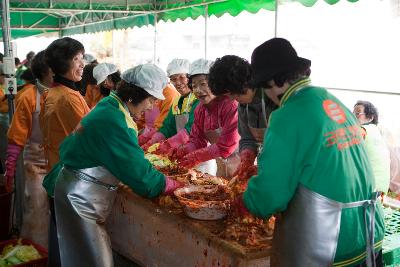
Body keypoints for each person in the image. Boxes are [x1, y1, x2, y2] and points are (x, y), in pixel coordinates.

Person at [234, 38, 384, 266]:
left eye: (264, 87)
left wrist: (246, 203)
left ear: (274, 80)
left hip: (330, 241)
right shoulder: (332, 101)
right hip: (369, 231)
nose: (266, 95)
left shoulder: (287, 116)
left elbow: (271, 192)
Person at [42, 64, 184, 267]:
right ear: (135, 95)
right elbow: (140, 176)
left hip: (69, 185)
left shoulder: (111, 104)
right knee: (92, 261)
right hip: (78, 197)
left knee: (71, 256)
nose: (151, 106)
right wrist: (168, 184)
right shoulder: (116, 120)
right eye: (151, 100)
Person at [4, 51, 52, 246]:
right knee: (37, 211)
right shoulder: (28, 96)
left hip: (61, 164)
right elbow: (17, 136)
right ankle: (36, 253)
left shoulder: (65, 93)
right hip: (36, 166)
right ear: (44, 72)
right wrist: (10, 168)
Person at [208, 55, 277, 180]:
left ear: (241, 86)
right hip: (267, 167)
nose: (231, 99)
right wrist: (247, 157)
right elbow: (247, 139)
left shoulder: (273, 98)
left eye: (230, 94)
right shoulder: (242, 106)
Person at [173, 59, 240, 177]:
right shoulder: (200, 110)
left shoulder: (230, 105)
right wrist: (183, 150)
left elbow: (226, 146)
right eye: (194, 86)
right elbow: (196, 141)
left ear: (215, 84)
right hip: (220, 164)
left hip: (241, 163)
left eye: (203, 84)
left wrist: (195, 156)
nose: (198, 90)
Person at [41, 37, 90, 172]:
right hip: (72, 172)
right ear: (62, 64)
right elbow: (90, 134)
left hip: (59, 168)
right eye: (76, 59)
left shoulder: (55, 91)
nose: (82, 64)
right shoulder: (67, 97)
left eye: (82, 58)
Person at [141, 58, 200, 154]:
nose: (178, 83)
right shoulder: (177, 102)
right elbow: (168, 128)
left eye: (181, 77)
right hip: (181, 151)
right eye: (173, 79)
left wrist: (168, 144)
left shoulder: (198, 100)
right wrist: (151, 142)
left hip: (199, 154)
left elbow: (191, 129)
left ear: (189, 77)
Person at [354, 100, 391, 193]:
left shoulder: (362, 130)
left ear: (370, 117)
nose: (353, 115)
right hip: (381, 190)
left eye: (357, 113)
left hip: (365, 189)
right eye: (353, 113)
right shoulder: (377, 133)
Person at [137, 78, 180, 146]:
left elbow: (162, 124)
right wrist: (136, 131)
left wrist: (147, 140)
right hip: (149, 133)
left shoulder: (169, 93)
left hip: (162, 137)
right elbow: (142, 117)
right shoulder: (149, 90)